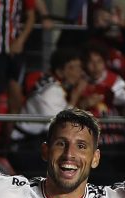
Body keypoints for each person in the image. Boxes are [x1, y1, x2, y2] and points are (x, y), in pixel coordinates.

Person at [8, 48, 87, 177]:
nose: (78, 72)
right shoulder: (51, 91)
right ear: (60, 71)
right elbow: (64, 123)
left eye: (79, 67)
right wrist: (76, 96)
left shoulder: (54, 85)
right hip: (26, 147)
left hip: (37, 143)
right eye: (72, 68)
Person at [79, 43, 125, 186]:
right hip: (89, 144)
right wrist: (83, 103)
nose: (95, 66)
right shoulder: (79, 82)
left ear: (104, 63)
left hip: (115, 145)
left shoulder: (115, 81)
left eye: (98, 62)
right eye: (90, 62)